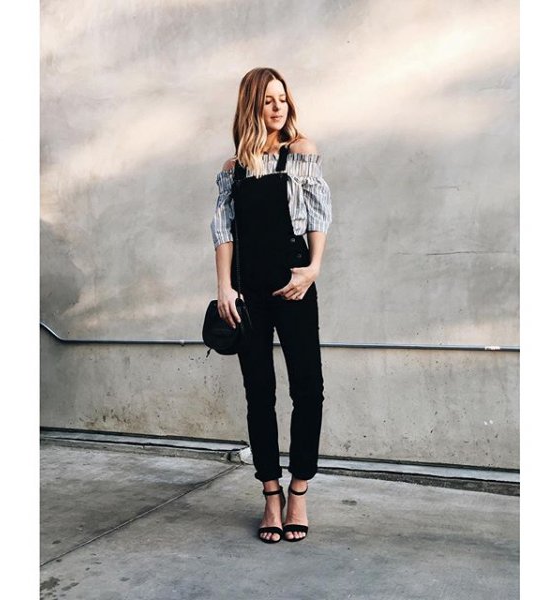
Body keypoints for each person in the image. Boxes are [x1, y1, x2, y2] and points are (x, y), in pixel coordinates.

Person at [209, 67, 332, 543]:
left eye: (283, 98)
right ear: (251, 107)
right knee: (259, 393)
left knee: (308, 388)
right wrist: (225, 287)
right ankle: (270, 494)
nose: (278, 107)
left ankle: (299, 490)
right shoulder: (232, 168)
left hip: (295, 285)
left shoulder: (300, 152)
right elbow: (224, 231)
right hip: (249, 294)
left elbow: (318, 213)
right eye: (268, 100)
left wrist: (312, 269)